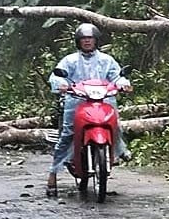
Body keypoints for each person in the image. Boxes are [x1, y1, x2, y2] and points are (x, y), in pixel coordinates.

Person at [45, 23, 132, 197]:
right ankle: (53, 173)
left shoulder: (106, 60)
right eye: (84, 39)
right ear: (78, 41)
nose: (87, 42)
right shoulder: (69, 60)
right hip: (76, 101)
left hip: (103, 100)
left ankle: (120, 150)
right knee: (67, 135)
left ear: (96, 41)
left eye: (90, 38)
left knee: (115, 125)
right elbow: (56, 76)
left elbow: (117, 76)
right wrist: (61, 84)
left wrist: (124, 85)